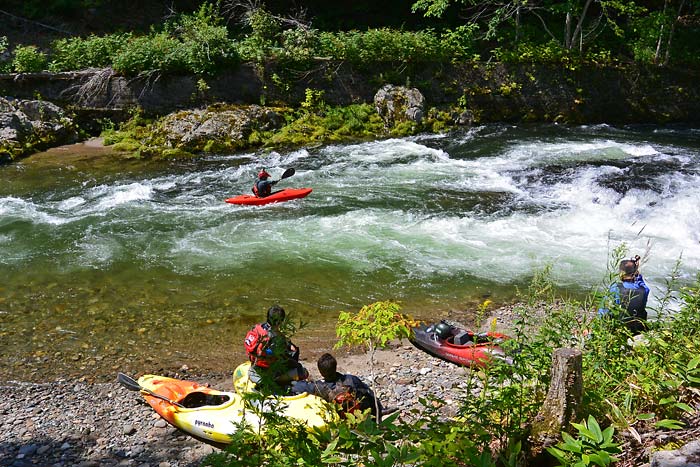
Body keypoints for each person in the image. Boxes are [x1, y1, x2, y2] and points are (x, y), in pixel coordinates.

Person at [292, 353, 384, 420]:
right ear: (335, 367)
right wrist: (379, 412)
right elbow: (370, 396)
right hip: (356, 417)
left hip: (337, 421)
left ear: (320, 371)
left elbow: (295, 387)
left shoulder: (316, 387)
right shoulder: (351, 380)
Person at [244, 305, 309, 392]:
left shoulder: (257, 328)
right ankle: (272, 384)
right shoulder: (278, 340)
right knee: (303, 372)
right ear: (280, 322)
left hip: (254, 370)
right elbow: (284, 359)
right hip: (268, 375)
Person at [598, 255, 650, 334]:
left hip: (620, 328)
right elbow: (641, 282)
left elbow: (604, 310)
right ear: (635, 273)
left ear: (621, 273)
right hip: (638, 329)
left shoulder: (615, 288)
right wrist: (637, 274)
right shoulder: (644, 289)